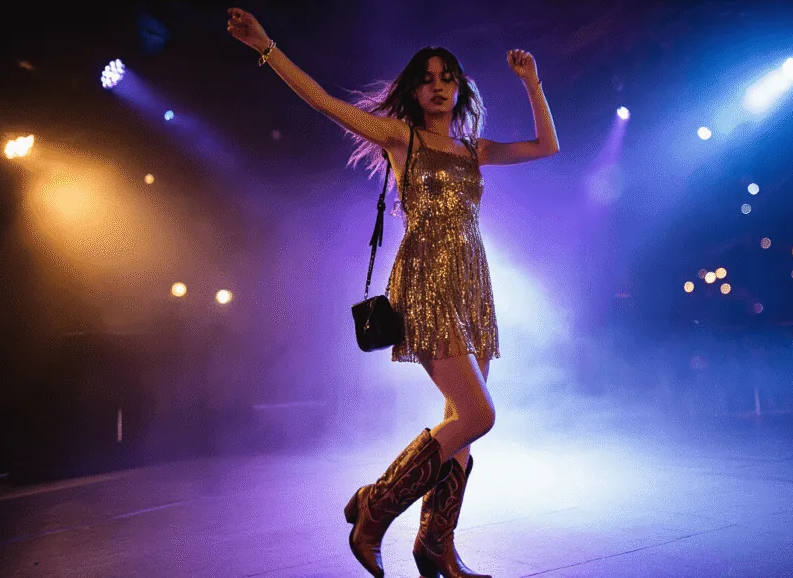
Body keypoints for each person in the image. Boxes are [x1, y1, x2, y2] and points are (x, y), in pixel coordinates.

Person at [227, 7, 559, 577]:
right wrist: (266, 46)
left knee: (462, 422)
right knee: (479, 414)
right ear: (412, 89)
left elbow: (546, 147)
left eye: (446, 77)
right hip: (425, 279)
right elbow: (323, 102)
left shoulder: (473, 150)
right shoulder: (399, 139)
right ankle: (375, 508)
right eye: (427, 78)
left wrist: (532, 82)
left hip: (472, 283)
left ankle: (437, 548)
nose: (437, 86)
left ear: (459, 88)